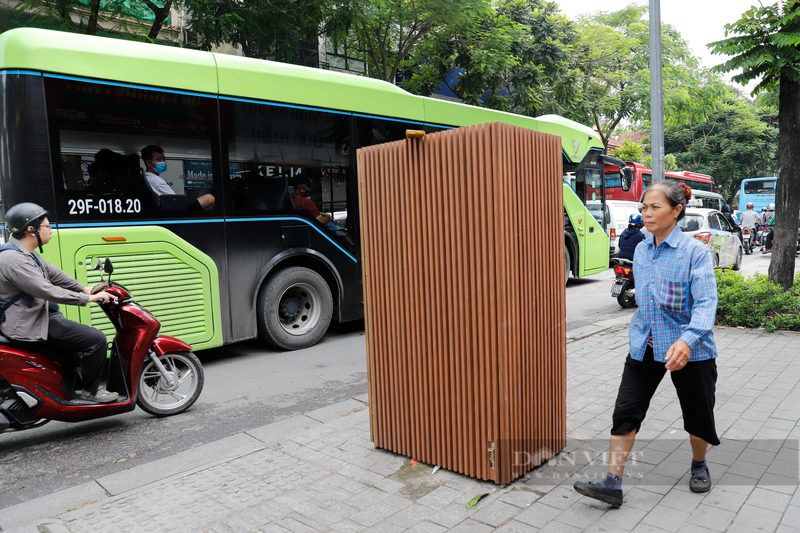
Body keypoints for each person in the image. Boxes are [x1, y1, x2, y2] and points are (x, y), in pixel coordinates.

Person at [574, 182, 719, 508]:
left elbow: (707, 302)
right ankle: (613, 483)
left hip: (690, 348)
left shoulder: (695, 252)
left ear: (676, 211)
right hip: (646, 344)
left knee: (698, 414)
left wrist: (687, 340)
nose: (647, 213)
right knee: (625, 411)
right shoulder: (641, 248)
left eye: (655, 207)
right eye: (644, 207)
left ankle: (699, 463)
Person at [0, 203, 119, 403]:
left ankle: (72, 389)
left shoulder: (24, 251)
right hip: (32, 322)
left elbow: (53, 273)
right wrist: (88, 299)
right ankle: (89, 392)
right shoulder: (14, 260)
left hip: (41, 315)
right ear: (31, 230)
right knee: (96, 339)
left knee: (72, 357)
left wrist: (83, 288)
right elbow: (46, 290)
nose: (51, 231)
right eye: (47, 227)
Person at [142, 145, 215, 213]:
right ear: (148, 162)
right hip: (177, 211)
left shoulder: (147, 178)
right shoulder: (156, 180)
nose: (163, 162)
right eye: (158, 159)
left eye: (164, 159)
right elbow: (176, 201)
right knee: (209, 198)